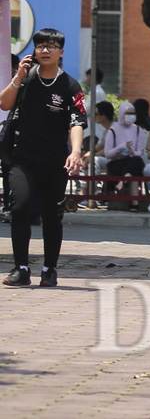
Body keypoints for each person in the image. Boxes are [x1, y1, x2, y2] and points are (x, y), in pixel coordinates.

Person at [1, 29, 87, 285]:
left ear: (61, 52)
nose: (45, 50)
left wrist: (75, 151)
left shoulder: (70, 86)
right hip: (22, 158)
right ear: (34, 50)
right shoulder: (26, 79)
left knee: (51, 215)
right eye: (40, 46)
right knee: (20, 207)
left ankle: (49, 269)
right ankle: (21, 269)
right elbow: (4, 104)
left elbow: (76, 122)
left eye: (51, 46)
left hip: (54, 160)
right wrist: (18, 76)